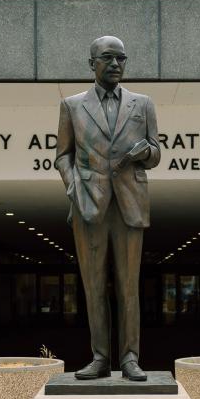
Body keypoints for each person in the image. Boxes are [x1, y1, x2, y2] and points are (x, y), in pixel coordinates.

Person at [54, 35, 161, 381]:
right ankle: (100, 357)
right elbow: (62, 156)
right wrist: (73, 188)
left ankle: (130, 358)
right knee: (93, 285)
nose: (116, 64)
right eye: (108, 58)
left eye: (122, 58)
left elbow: (157, 153)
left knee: (129, 286)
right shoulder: (72, 106)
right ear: (92, 64)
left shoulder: (142, 104)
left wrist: (146, 152)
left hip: (130, 203)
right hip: (88, 204)